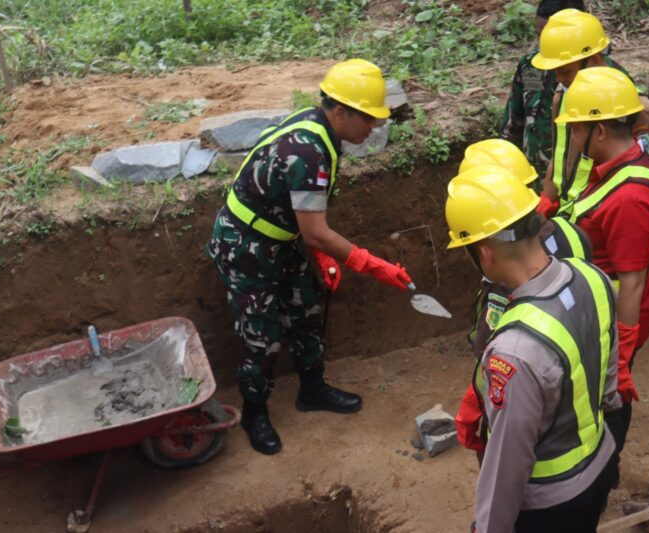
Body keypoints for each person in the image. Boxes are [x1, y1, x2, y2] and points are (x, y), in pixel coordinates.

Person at [207, 59, 413, 455]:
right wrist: (370, 264)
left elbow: (304, 215)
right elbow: (316, 231)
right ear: (340, 111)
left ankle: (313, 389)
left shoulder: (320, 131)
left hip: (280, 240)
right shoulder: (308, 151)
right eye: (368, 119)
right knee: (261, 336)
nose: (373, 127)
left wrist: (320, 255)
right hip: (245, 247)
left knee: (305, 309)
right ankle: (254, 412)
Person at [444, 165, 620, 532]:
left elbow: (508, 465)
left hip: (550, 505)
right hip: (601, 462)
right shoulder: (592, 276)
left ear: (484, 252)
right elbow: (607, 385)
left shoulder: (514, 350)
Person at [452, 139, 593, 461]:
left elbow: (494, 351)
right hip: (579, 379)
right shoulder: (572, 233)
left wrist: (476, 401)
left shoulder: (506, 281)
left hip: (529, 401)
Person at [556, 66, 649, 468]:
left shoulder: (630, 198)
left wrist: (619, 359)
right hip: (597, 307)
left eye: (576, 130)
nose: (572, 138)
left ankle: (603, 471)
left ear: (599, 131)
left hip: (613, 318)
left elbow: (632, 283)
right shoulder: (614, 167)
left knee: (608, 401)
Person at [531, 8, 649, 217]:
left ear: (593, 60)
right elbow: (559, 158)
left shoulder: (633, 108)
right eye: (555, 71)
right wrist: (546, 204)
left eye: (565, 71)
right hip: (567, 218)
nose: (559, 79)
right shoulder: (563, 96)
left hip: (599, 222)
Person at [499, 0, 586, 184]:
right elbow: (513, 124)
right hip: (530, 180)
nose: (542, 44)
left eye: (549, 36)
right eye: (539, 36)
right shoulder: (530, 65)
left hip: (573, 185)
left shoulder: (599, 74)